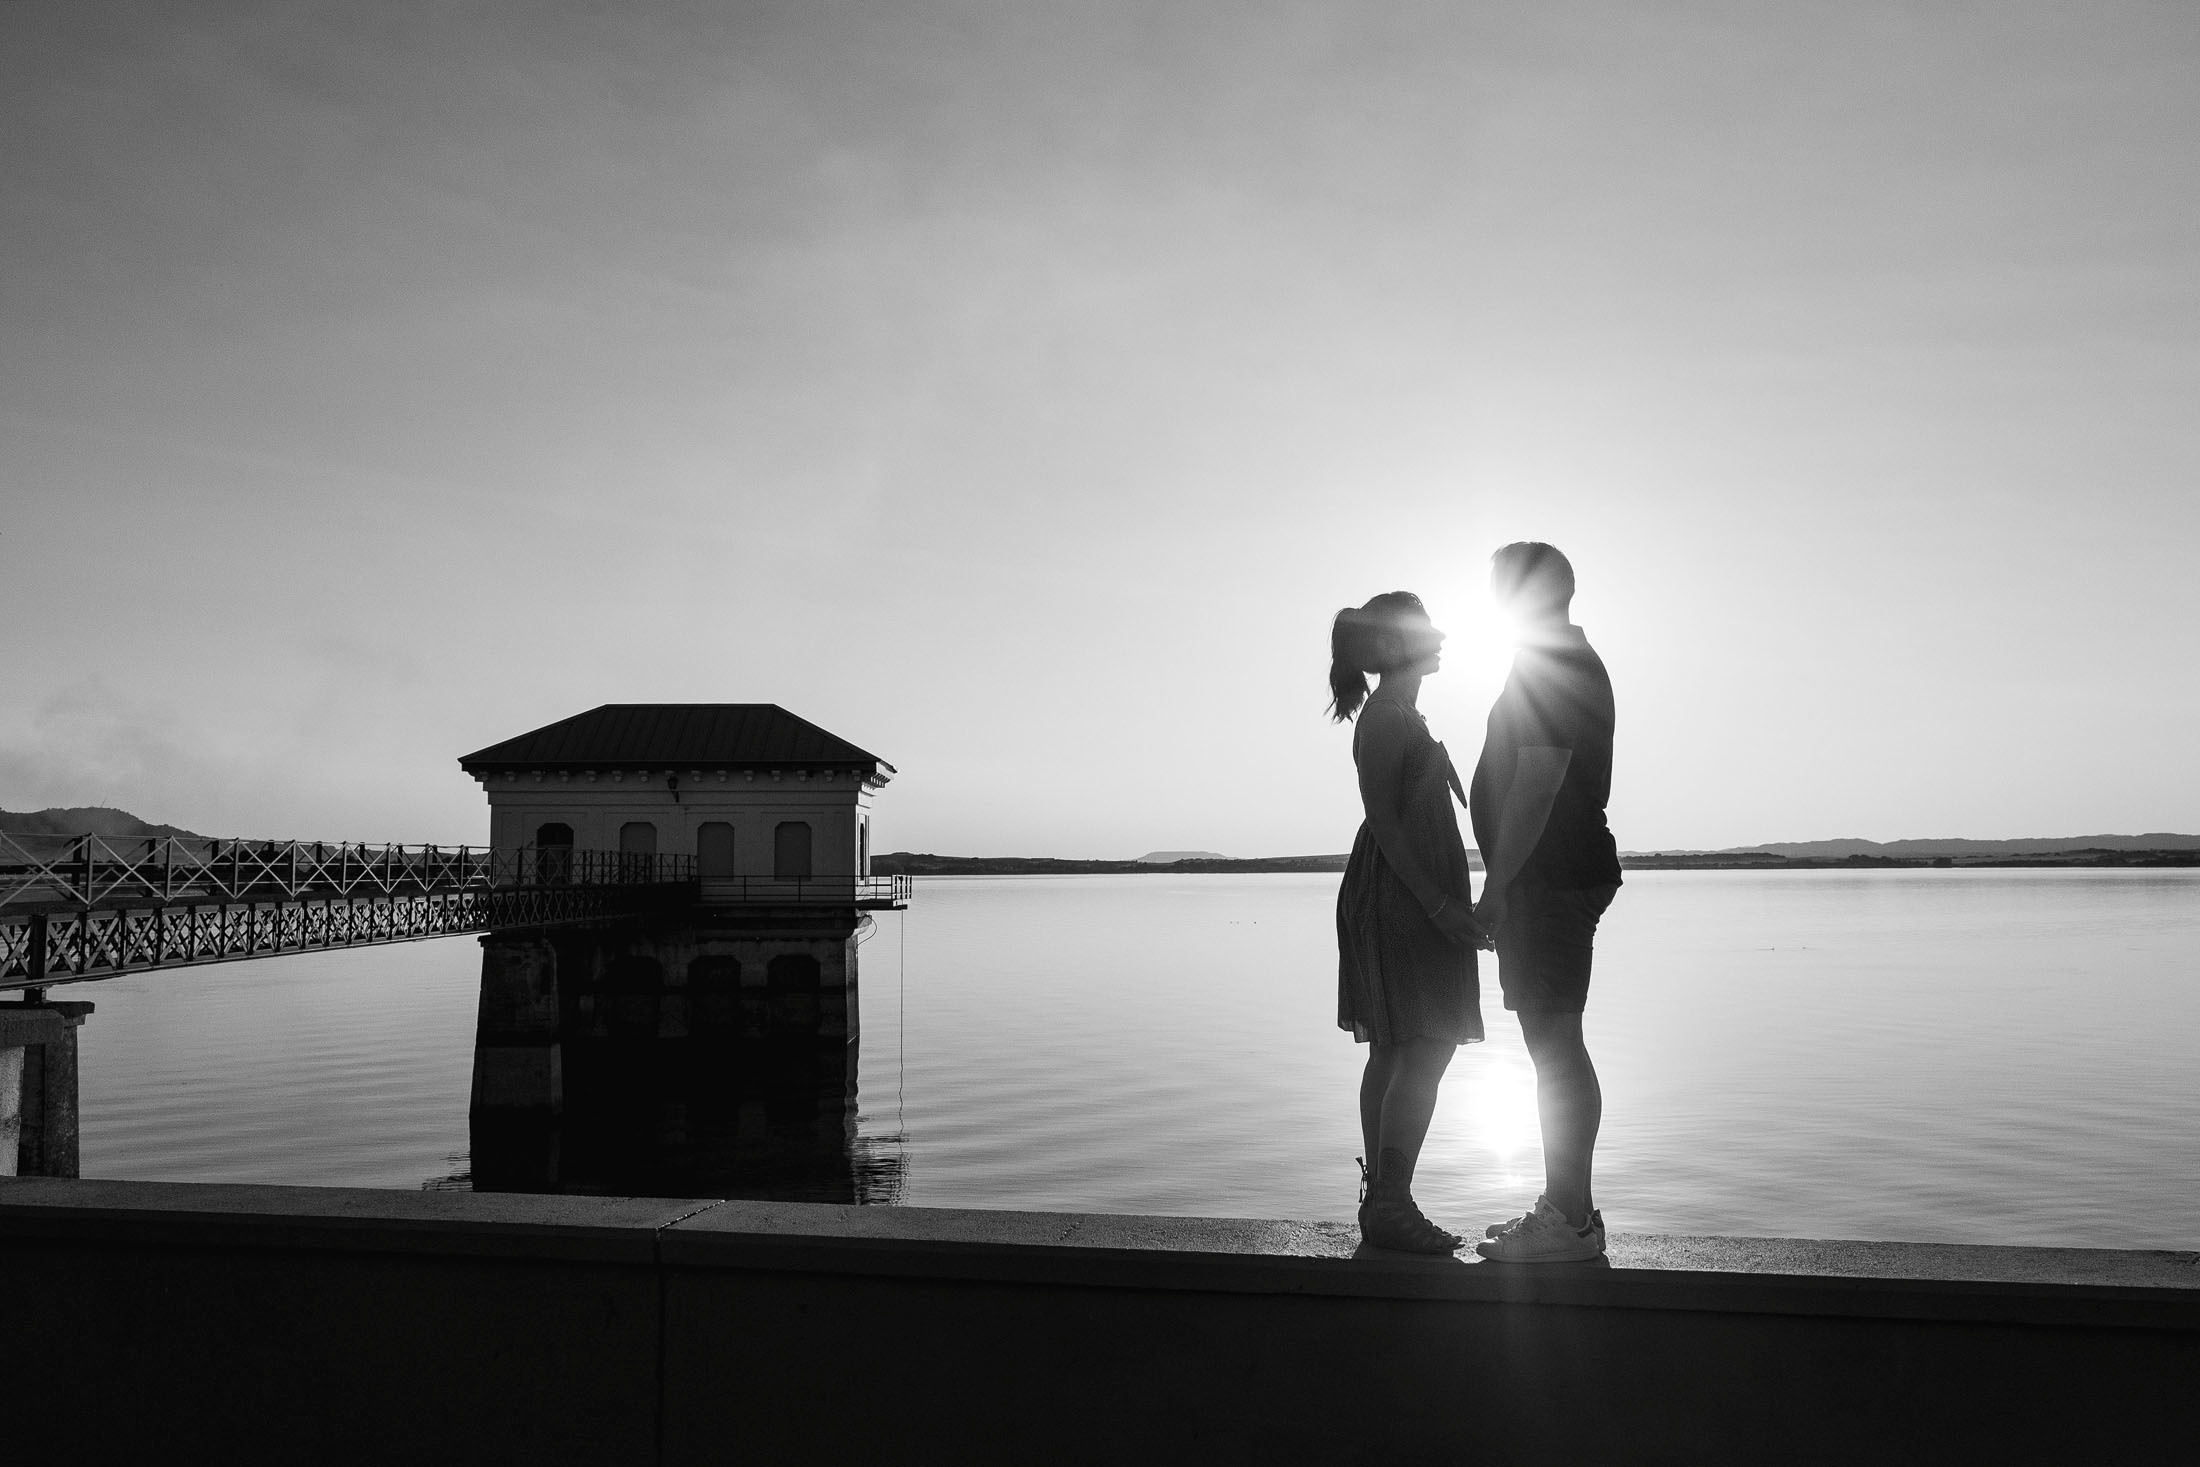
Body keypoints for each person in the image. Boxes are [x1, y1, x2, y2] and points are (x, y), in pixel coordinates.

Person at [1469, 543, 1623, 1263]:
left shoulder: (1554, 662)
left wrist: (1495, 887)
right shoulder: (1557, 656)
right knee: (1550, 1045)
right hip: (1549, 876)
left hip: (1551, 877)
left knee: (1556, 1046)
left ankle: (1571, 1220)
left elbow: (1538, 780)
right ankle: (1566, 1205)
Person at [1330, 591, 1487, 1253]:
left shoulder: (1398, 711)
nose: (1442, 635)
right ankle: (1391, 1200)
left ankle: (1385, 1202)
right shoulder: (1388, 716)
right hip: (1401, 897)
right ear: (1397, 645)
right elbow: (1390, 828)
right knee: (1423, 1042)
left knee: (1396, 1047)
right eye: (1426, 627)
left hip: (1399, 893)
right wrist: (1442, 905)